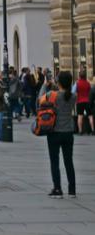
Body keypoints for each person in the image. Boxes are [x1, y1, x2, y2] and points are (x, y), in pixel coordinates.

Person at [46, 70, 76, 198]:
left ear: (58, 82)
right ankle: (72, 190)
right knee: (69, 161)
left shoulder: (53, 95)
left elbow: (40, 100)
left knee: (55, 161)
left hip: (54, 132)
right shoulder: (73, 96)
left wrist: (45, 84)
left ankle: (57, 189)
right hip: (68, 132)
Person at [75, 70, 92, 136]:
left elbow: (75, 92)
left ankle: (80, 131)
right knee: (90, 116)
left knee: (80, 116)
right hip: (87, 101)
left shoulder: (77, 83)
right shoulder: (88, 83)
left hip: (79, 101)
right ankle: (93, 130)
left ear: (79, 76)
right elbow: (90, 91)